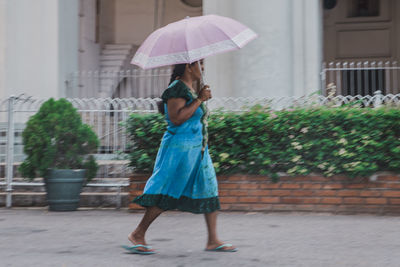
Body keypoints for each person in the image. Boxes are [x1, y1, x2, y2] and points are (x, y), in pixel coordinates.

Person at [124, 60, 237, 254]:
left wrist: (200, 97)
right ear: (188, 67)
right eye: (199, 64)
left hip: (199, 150)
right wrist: (199, 100)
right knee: (168, 189)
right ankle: (138, 233)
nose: (203, 68)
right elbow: (177, 118)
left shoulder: (192, 89)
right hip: (180, 150)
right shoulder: (176, 89)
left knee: (208, 188)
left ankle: (213, 240)